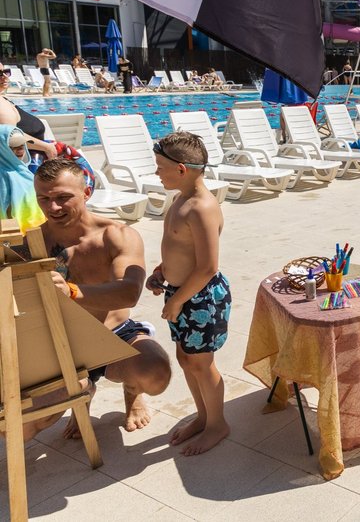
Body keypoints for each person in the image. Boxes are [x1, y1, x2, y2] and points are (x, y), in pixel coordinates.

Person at [33, 158, 172, 438]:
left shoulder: (116, 235)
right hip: (63, 342)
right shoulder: (33, 241)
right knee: (25, 426)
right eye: (43, 199)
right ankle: (83, 391)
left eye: (62, 197)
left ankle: (132, 392)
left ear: (86, 193)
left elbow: (129, 292)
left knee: (156, 375)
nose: (53, 207)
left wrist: (72, 291)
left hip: (114, 335)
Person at [145, 132, 231, 455]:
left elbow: (208, 266)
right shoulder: (180, 198)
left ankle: (217, 424)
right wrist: (161, 273)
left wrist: (179, 301)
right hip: (180, 293)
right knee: (185, 359)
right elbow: (180, 250)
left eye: (160, 167)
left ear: (181, 169)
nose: (157, 172)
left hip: (201, 298)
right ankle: (204, 416)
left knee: (201, 363)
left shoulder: (202, 208)